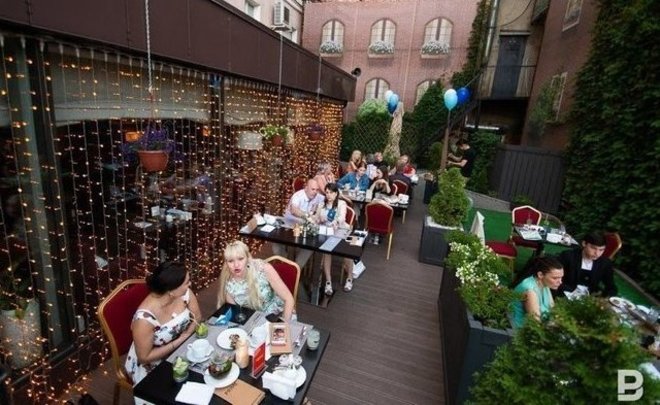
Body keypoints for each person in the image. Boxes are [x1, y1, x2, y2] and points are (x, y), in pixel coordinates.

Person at [125, 262, 202, 385]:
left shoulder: (184, 293)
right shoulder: (144, 319)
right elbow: (144, 357)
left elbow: (197, 316)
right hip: (154, 366)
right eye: (186, 282)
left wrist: (187, 335)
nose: (190, 284)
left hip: (183, 348)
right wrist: (180, 340)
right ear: (171, 291)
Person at [217, 240, 295, 321]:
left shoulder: (263, 268)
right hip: (252, 320)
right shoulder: (228, 283)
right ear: (226, 263)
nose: (236, 265)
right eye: (230, 261)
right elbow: (236, 314)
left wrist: (283, 325)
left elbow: (289, 299)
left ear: (248, 258)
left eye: (240, 259)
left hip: (279, 315)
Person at [314, 183, 355, 294]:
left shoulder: (342, 203)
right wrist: (319, 220)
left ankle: (350, 277)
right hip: (326, 232)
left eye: (331, 192)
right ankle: (328, 281)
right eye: (327, 192)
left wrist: (335, 222)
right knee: (327, 252)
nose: (328, 195)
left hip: (341, 230)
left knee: (347, 252)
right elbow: (316, 219)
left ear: (336, 193)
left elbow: (342, 218)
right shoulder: (321, 204)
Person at [275, 179, 324, 268]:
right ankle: (283, 263)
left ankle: (296, 268)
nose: (315, 192)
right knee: (276, 242)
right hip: (289, 225)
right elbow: (294, 210)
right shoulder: (298, 196)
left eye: (317, 190)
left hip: (304, 228)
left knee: (310, 246)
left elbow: (329, 199)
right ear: (306, 188)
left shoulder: (318, 196)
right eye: (313, 189)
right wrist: (307, 216)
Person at [555, 231, 617, 298]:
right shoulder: (568, 256)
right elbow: (554, 277)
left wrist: (605, 298)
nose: (597, 253)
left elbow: (611, 287)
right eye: (593, 248)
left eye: (601, 250)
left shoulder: (605, 263)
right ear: (584, 243)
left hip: (589, 298)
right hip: (564, 293)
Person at [510, 256, 564, 329]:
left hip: (542, 327)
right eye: (555, 278)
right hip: (520, 331)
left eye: (561, 277)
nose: (560, 282)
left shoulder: (545, 284)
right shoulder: (530, 291)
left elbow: (553, 310)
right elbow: (536, 324)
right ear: (540, 275)